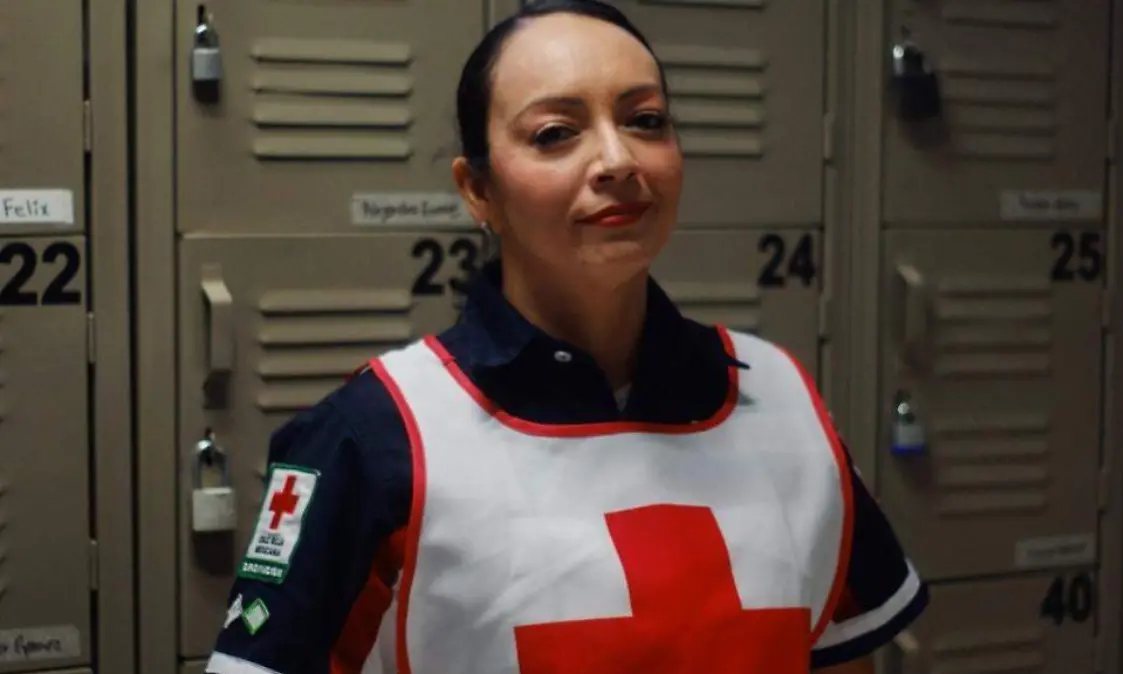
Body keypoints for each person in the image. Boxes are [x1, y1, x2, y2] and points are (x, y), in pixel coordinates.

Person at [204, 1, 929, 673]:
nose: (618, 161)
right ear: (478, 190)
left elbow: (845, 652)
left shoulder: (782, 397)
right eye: (555, 134)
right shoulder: (374, 434)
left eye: (646, 120)